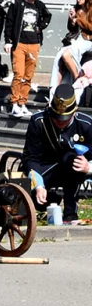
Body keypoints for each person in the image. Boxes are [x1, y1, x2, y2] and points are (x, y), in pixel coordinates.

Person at [21, 83, 92, 224]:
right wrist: (38, 185)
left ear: (74, 112)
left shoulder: (86, 125)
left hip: (75, 172)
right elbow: (30, 158)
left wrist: (89, 168)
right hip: (45, 169)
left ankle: (70, 212)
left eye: (64, 118)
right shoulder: (38, 122)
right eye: (56, 117)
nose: (60, 121)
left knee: (72, 159)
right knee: (38, 203)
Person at [5, 0, 51, 119]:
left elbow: (48, 16)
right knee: (18, 73)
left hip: (34, 43)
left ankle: (22, 102)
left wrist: (41, 26)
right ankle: (14, 103)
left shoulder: (39, 5)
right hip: (19, 43)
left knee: (28, 75)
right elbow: (9, 22)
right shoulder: (18, 4)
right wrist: (8, 41)